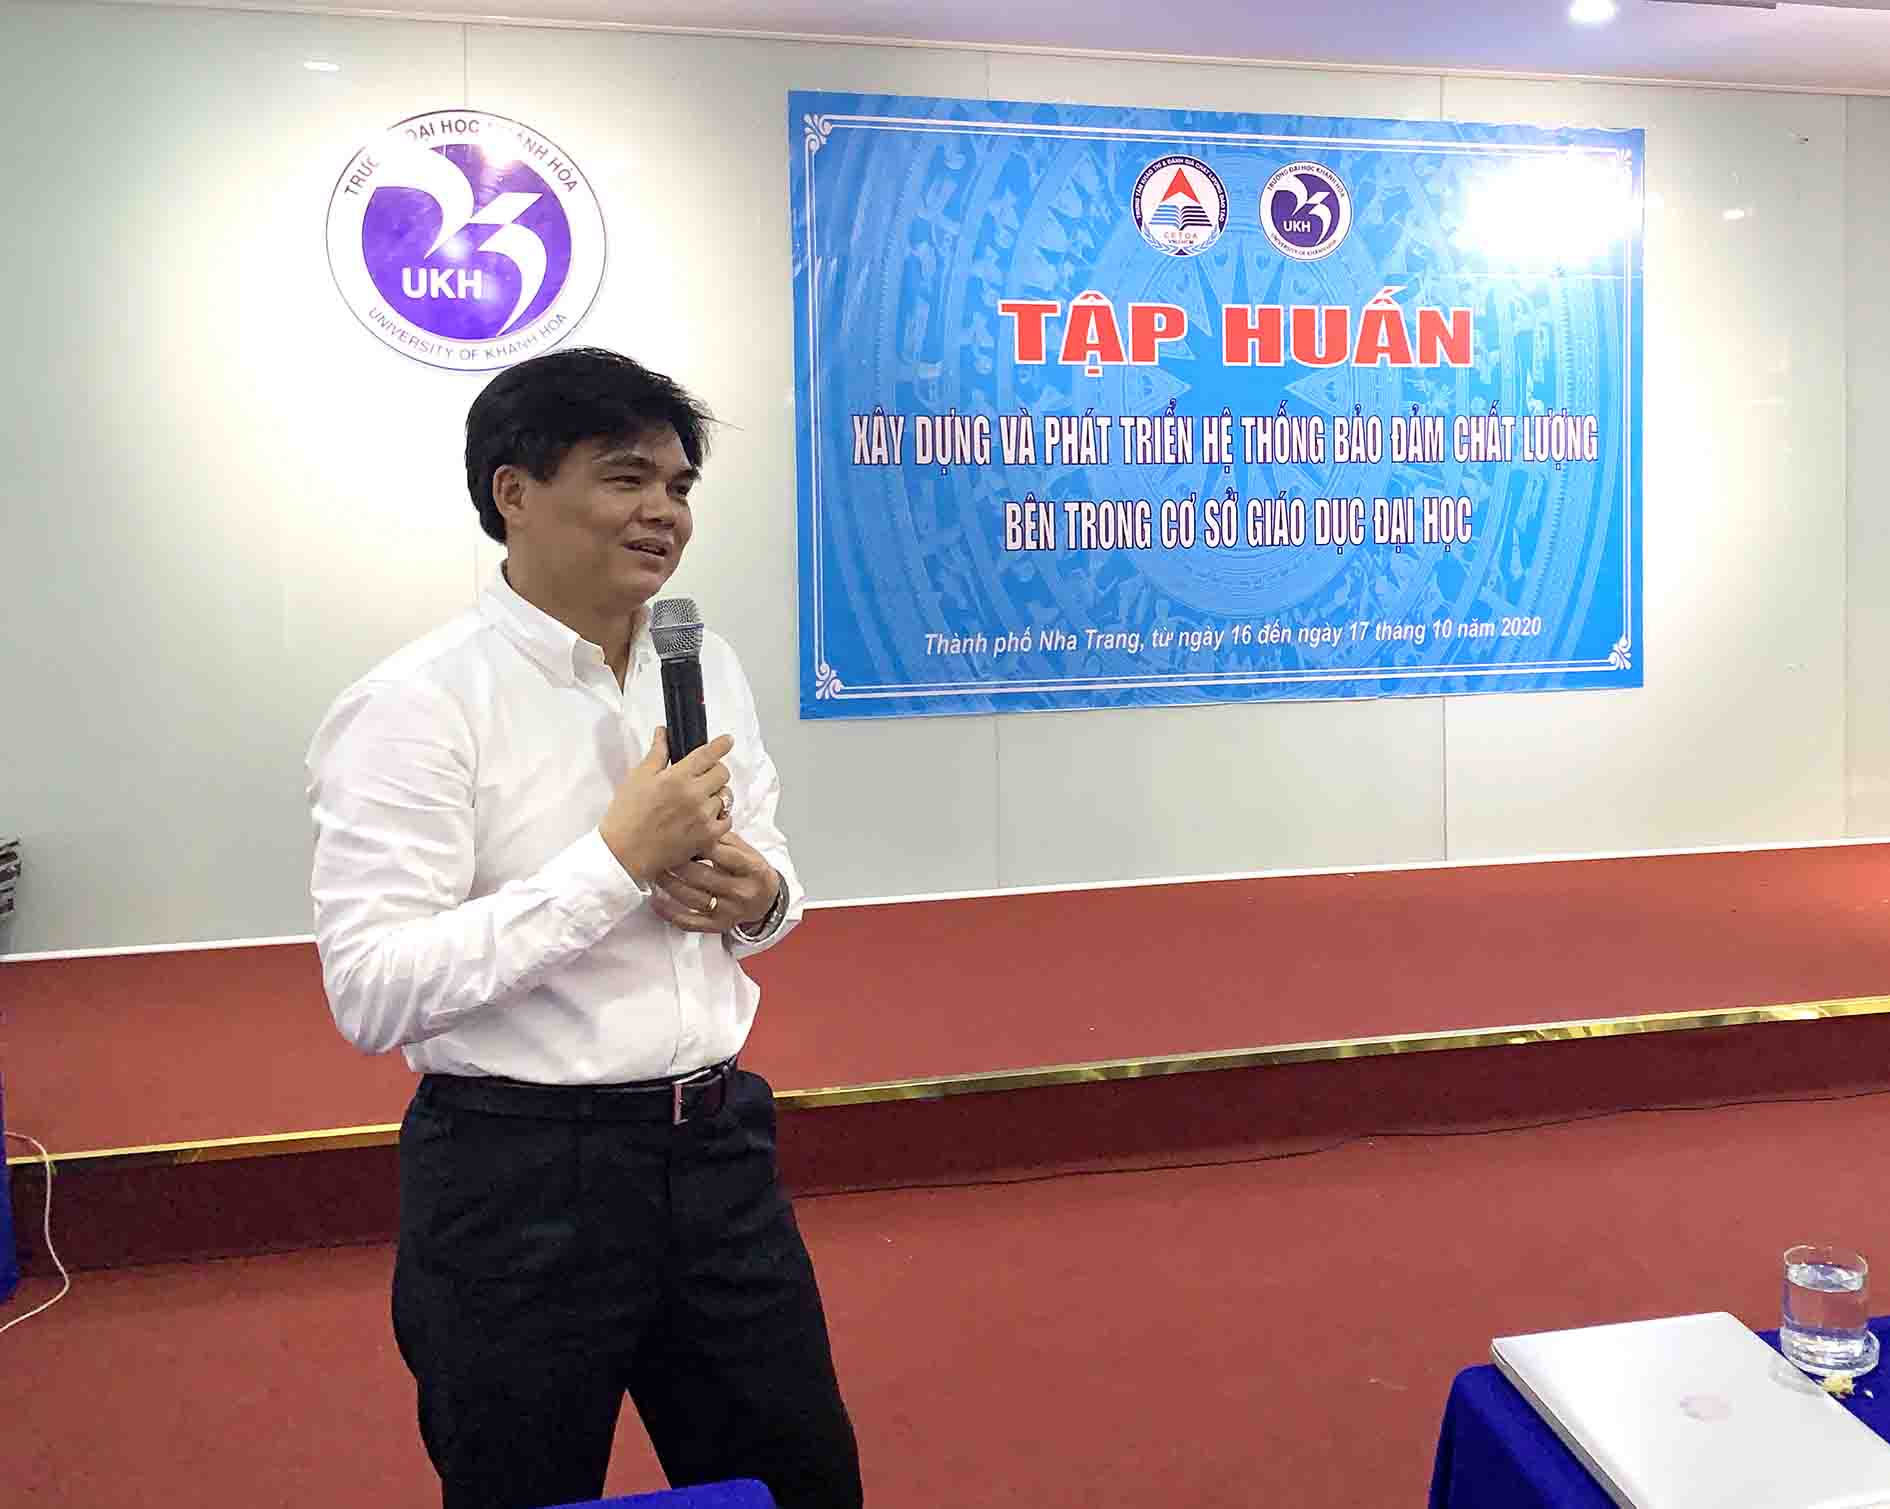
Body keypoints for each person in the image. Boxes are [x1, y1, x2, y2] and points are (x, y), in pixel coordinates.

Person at [305, 347, 862, 1509]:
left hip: (718, 1156)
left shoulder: (701, 662)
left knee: (802, 1485)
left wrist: (761, 901)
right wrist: (615, 863)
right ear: (513, 492)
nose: (664, 512)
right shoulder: (414, 707)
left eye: (679, 486)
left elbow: (771, 871)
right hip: (519, 1187)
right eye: (625, 478)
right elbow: (373, 990)